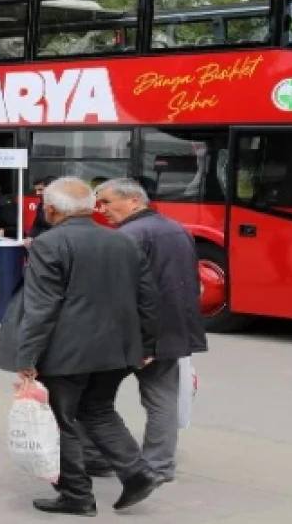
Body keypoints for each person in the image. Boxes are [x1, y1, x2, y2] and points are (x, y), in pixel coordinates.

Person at [14, 177, 163, 516]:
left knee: (61, 420)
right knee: (98, 410)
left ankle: (76, 495)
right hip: (118, 349)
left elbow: (41, 307)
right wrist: (146, 343)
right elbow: (149, 299)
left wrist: (27, 358)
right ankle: (137, 473)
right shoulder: (123, 241)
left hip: (68, 352)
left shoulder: (48, 244)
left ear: (50, 209)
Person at [91, 178, 208, 483]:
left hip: (136, 336)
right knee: (161, 400)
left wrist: (142, 342)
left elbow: (119, 292)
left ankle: (103, 458)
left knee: (91, 400)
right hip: (172, 331)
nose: (100, 209)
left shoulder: (130, 235)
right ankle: (159, 466)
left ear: (133, 200)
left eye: (105, 201)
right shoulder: (175, 228)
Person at [26, 175, 56, 242]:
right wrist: (31, 236)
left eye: (40, 190)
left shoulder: (63, 206)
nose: (37, 193)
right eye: (36, 190)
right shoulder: (41, 204)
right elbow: (37, 223)